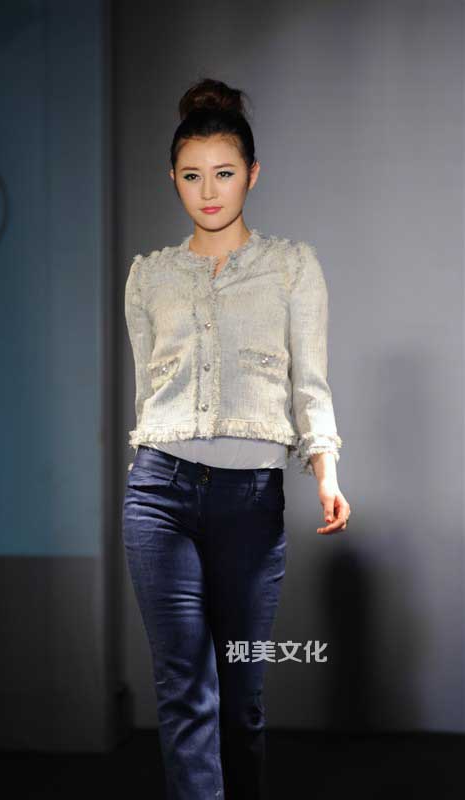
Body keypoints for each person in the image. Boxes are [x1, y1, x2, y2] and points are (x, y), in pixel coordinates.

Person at [122, 77, 351, 800]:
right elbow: (149, 392)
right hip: (159, 494)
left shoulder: (291, 267)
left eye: (223, 173)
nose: (208, 191)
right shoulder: (149, 276)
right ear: (173, 179)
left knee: (241, 699)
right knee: (184, 690)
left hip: (250, 500)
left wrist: (326, 472)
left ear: (252, 174)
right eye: (192, 175)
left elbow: (310, 381)